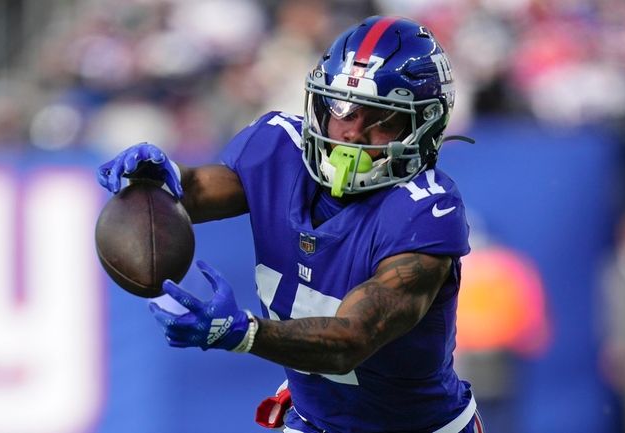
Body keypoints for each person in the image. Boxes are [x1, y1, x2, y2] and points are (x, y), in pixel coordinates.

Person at [97, 16, 483, 433]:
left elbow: (351, 339)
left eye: (381, 120)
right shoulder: (279, 147)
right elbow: (194, 191)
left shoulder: (425, 211)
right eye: (341, 111)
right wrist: (156, 179)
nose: (350, 134)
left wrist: (244, 333)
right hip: (313, 422)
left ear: (423, 128)